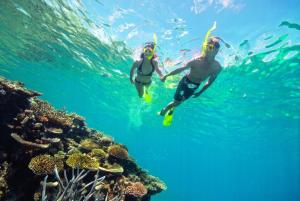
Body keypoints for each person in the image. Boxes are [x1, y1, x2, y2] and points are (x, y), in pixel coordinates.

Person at [159, 36, 224, 118]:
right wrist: (166, 76)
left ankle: (172, 107)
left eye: (210, 47)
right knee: (176, 102)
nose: (207, 49)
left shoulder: (217, 67)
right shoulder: (196, 61)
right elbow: (181, 69)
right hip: (185, 81)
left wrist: (200, 92)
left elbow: (210, 82)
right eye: (206, 47)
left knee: (180, 102)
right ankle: (165, 109)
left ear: (216, 51)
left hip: (195, 86)